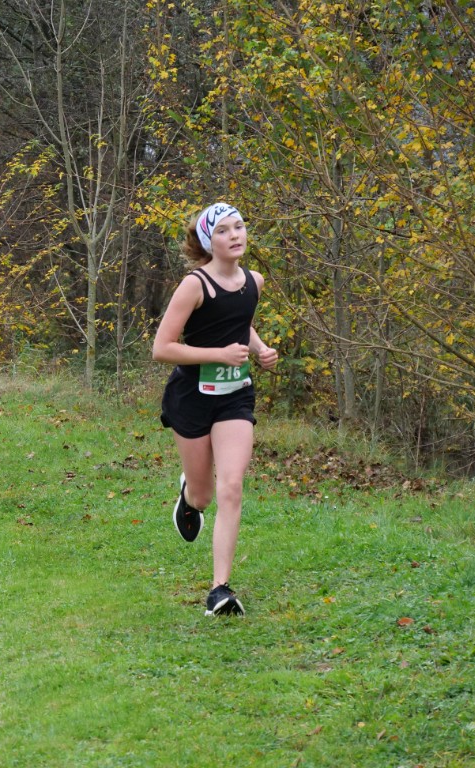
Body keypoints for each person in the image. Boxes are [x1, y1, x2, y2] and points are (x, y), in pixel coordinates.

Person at [152, 202, 279, 616]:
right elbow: (162, 348)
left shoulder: (254, 282)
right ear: (209, 241)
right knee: (205, 494)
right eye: (223, 230)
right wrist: (219, 354)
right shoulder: (195, 285)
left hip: (235, 396)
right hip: (191, 397)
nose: (235, 235)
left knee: (232, 487)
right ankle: (189, 497)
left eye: (239, 226)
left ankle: (220, 589)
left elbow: (240, 322)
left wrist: (260, 349)